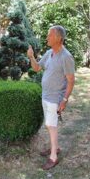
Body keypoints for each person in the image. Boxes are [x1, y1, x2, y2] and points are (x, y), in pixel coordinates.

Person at [27, 25, 75, 170]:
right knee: (50, 125)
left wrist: (64, 100)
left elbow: (71, 81)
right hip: (45, 95)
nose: (47, 37)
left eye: (50, 35)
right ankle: (56, 147)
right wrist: (31, 56)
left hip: (56, 98)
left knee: (51, 125)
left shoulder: (66, 57)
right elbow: (36, 68)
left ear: (58, 38)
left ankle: (53, 157)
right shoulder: (49, 53)